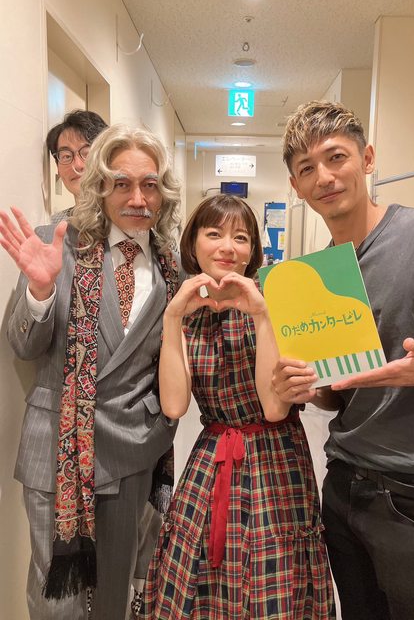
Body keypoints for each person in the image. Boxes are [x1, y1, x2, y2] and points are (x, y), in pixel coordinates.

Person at [0, 123, 184, 620]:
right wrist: (40, 292)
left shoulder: (172, 266)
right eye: (122, 183)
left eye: (149, 185)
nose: (138, 198)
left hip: (132, 449)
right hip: (56, 448)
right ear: (100, 186)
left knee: (112, 596)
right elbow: (22, 345)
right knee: (56, 602)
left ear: (163, 193)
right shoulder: (55, 243)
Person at [137, 194, 335, 619]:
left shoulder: (276, 302)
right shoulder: (185, 310)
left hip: (276, 457)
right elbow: (174, 405)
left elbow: (274, 408)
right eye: (215, 234)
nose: (228, 246)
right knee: (200, 570)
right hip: (212, 457)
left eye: (241, 238)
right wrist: (173, 318)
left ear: (252, 251)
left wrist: (262, 315)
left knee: (272, 571)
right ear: (194, 244)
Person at [273, 100, 414, 620]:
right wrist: (304, 386)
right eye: (307, 168)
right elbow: (336, 390)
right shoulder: (319, 274)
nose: (324, 177)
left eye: (336, 157)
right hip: (343, 486)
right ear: (296, 187)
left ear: (367, 158)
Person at [46, 109, 108, 221]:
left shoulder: (126, 219)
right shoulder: (54, 224)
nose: (77, 165)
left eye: (87, 154)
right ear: (57, 166)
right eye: (66, 156)